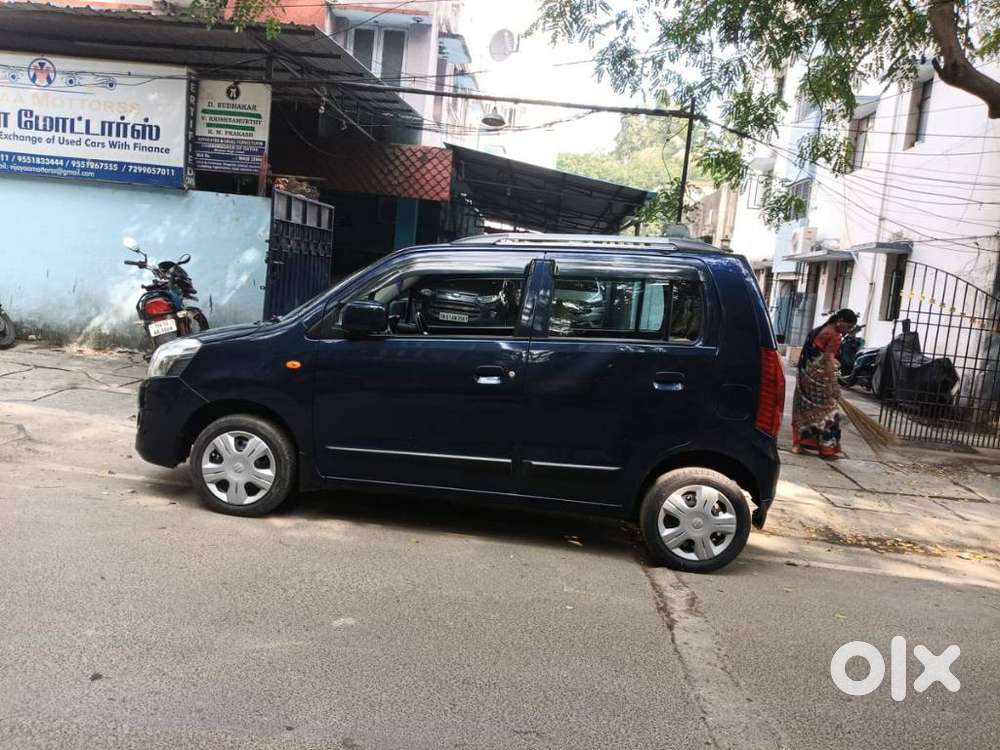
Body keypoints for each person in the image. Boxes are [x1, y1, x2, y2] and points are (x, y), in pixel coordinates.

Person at [792, 308, 859, 459]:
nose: (848, 331)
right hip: (819, 381)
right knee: (830, 413)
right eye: (848, 326)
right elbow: (828, 361)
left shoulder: (819, 329)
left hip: (805, 376)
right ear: (840, 321)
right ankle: (827, 450)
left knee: (803, 410)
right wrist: (834, 384)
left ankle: (800, 444)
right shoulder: (834, 336)